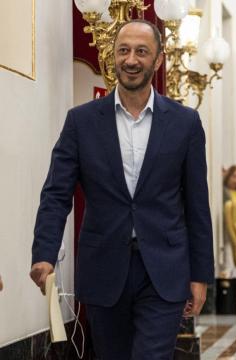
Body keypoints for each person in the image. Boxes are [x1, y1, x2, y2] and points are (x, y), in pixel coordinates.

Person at [29, 19, 214, 360]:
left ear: (158, 60)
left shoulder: (185, 123)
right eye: (123, 51)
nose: (131, 59)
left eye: (141, 51)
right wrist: (44, 253)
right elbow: (56, 193)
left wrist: (201, 275)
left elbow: (197, 204)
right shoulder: (81, 121)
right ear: (113, 57)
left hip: (164, 268)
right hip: (104, 267)